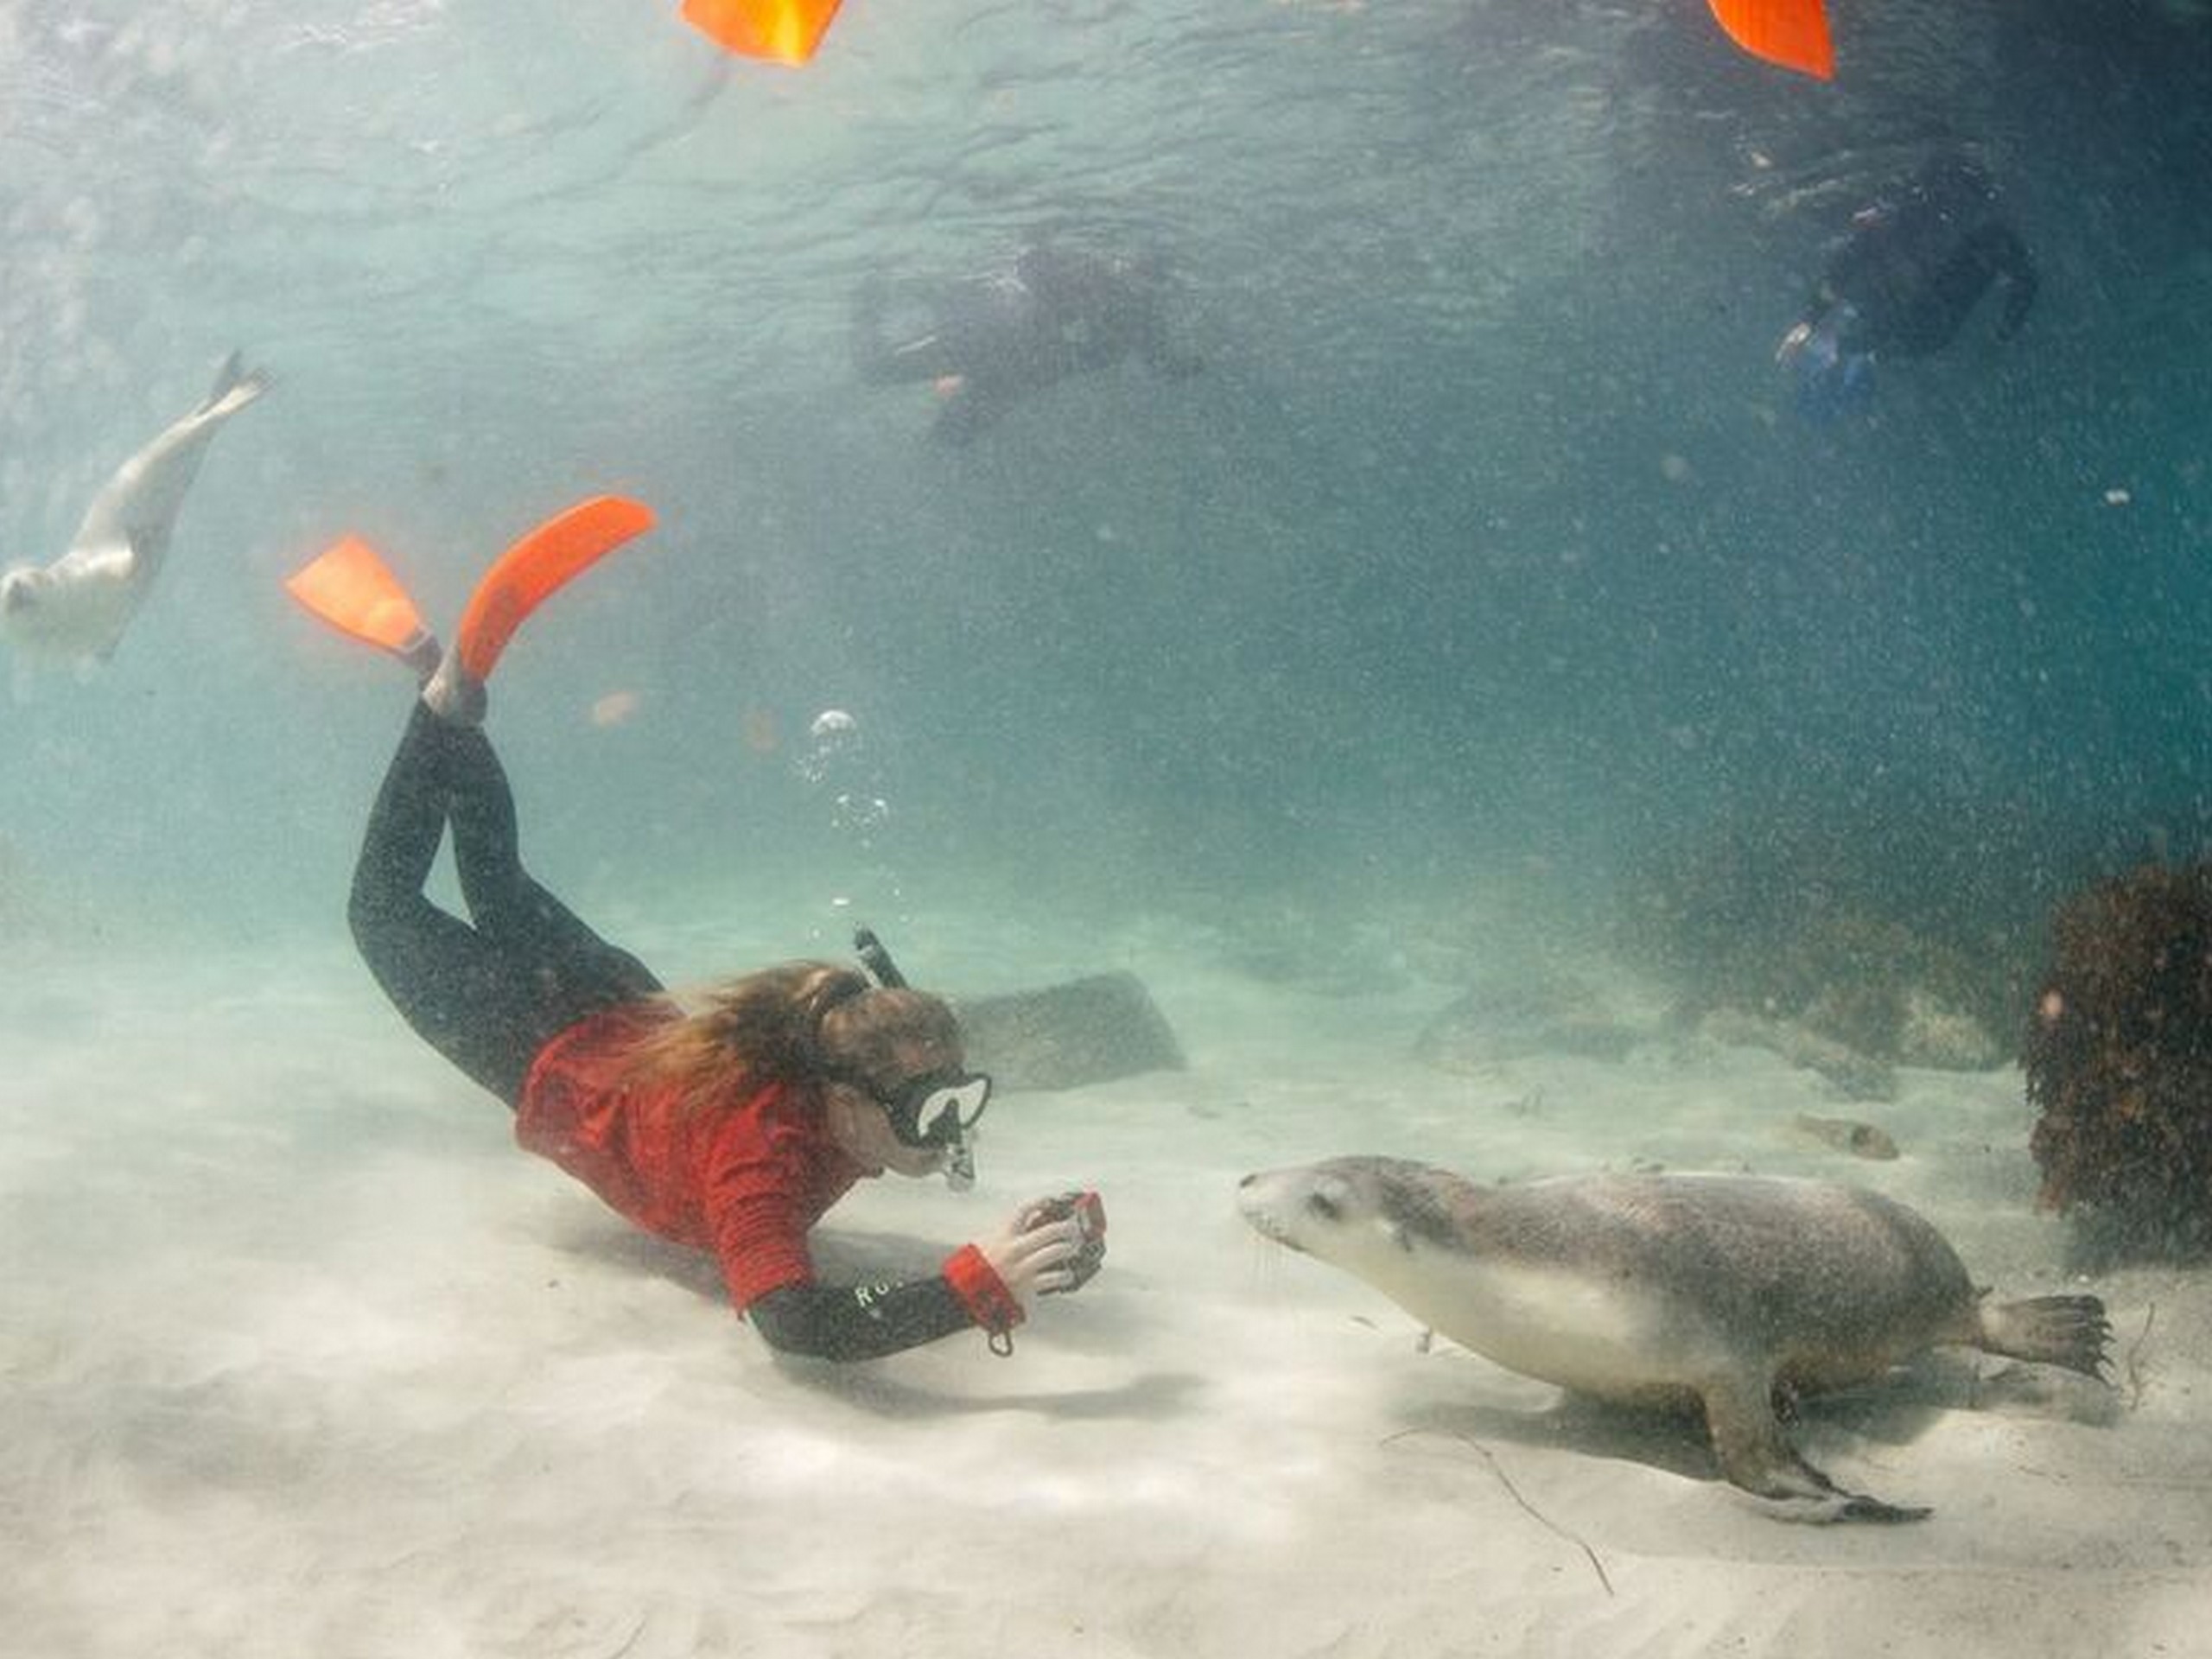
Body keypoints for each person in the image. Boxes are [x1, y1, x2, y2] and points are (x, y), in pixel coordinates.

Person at [284, 495, 1100, 1362]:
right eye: (931, 1110)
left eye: (956, 1098)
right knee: (383, 912)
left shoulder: (842, 1072)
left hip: (623, 1007)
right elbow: (798, 1324)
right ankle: (438, 697)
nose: (950, 1130)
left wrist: (1011, 1229)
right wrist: (980, 1287)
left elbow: (900, 1097)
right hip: (548, 1053)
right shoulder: (761, 1168)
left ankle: (440, 687)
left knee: (495, 881)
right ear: (846, 1100)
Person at [854, 242, 1202, 444]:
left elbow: (1161, 362)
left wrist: (1181, 367)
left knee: (951, 439)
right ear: (1122, 262)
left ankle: (940, 391)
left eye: (1145, 282)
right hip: (983, 343)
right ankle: (868, 305)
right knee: (876, 372)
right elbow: (1025, 265)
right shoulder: (1084, 270)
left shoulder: (1141, 317)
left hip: (1015, 377)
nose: (1130, 285)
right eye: (1131, 272)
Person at [1776, 156, 2038, 421]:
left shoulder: (1986, 239)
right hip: (1914, 325)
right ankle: (1844, 376)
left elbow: (2026, 282)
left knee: (1874, 338)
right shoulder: (1901, 226)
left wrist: (2002, 337)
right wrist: (1810, 321)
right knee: (1869, 337)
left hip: (1921, 326)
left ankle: (1847, 376)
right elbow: (1848, 263)